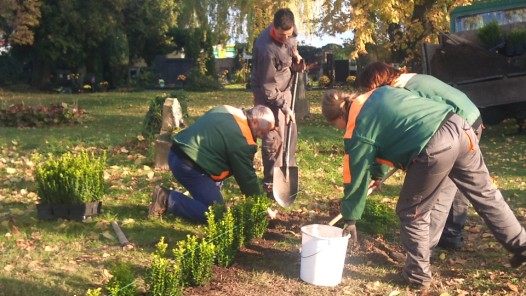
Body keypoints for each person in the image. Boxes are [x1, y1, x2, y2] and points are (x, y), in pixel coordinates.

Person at [321, 87, 526, 290]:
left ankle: (417, 276)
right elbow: (385, 135)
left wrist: (351, 217)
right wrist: (377, 175)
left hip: (435, 146)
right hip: (461, 128)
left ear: (339, 117)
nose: (339, 129)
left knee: (412, 211)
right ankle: (522, 245)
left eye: (336, 125)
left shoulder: (358, 127)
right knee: (486, 195)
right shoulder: (380, 94)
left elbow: (354, 178)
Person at [357, 61, 484, 250]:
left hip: (457, 127)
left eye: (369, 89)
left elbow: (392, 132)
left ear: (377, 82)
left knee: (441, 191)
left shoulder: (398, 91)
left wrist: (377, 173)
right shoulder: (412, 79)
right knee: (457, 182)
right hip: (473, 119)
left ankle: (425, 249)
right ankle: (451, 235)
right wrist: (378, 174)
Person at [148, 105, 275, 223]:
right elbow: (247, 179)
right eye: (262, 132)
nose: (262, 137)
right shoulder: (243, 140)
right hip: (189, 166)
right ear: (254, 121)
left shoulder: (226, 109)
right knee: (216, 213)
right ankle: (166, 199)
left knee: (216, 184)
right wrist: (261, 207)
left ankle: (208, 196)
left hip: (176, 153)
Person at [251, 8, 304, 197]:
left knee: (290, 131)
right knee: (274, 137)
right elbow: (268, 88)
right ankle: (270, 183)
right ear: (274, 28)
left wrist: (295, 55)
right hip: (268, 95)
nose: (285, 38)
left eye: (288, 35)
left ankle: (287, 176)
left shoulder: (291, 31)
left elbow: (292, 44)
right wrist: (286, 107)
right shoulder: (266, 49)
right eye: (282, 36)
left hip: (286, 89)